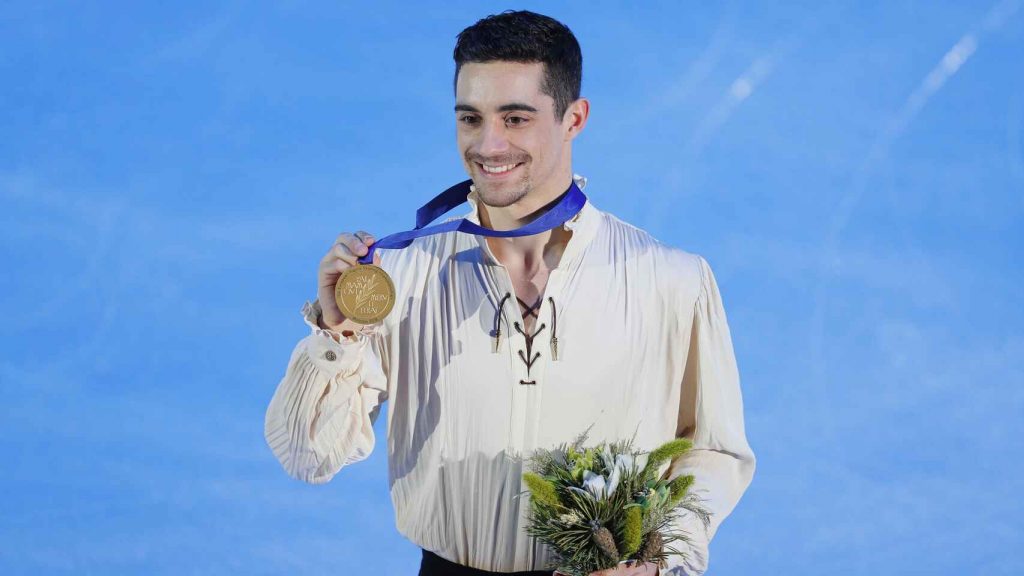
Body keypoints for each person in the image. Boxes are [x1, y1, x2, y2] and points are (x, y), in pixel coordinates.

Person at [264, 9, 755, 576]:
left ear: (574, 118)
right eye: (470, 118)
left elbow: (714, 449)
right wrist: (338, 332)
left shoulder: (671, 279)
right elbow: (307, 455)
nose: (488, 144)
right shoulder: (401, 275)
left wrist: (662, 557)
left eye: (516, 118)